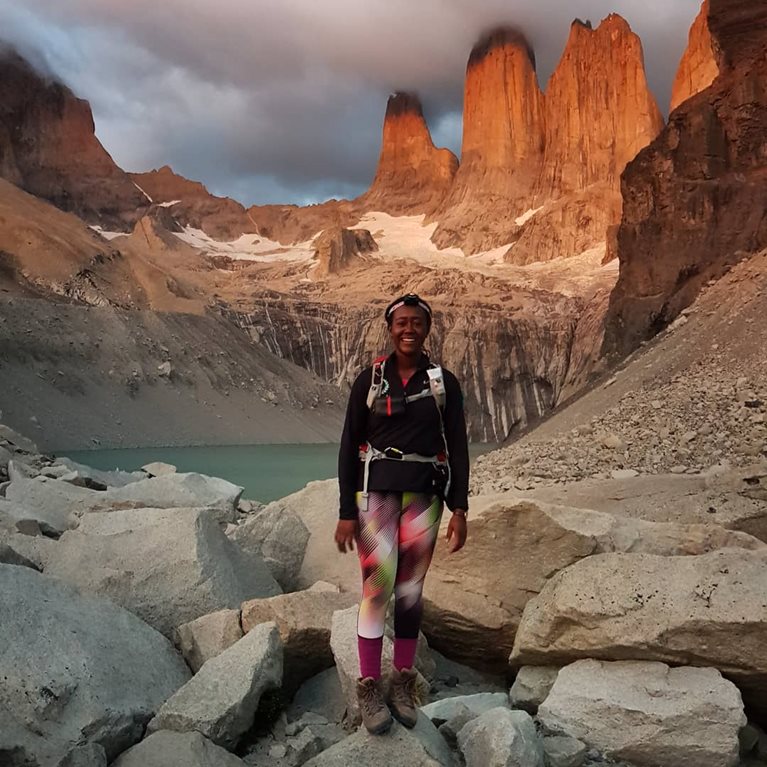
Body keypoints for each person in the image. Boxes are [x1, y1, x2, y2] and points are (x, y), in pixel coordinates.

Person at [335, 293, 469, 734]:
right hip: (377, 495)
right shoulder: (370, 380)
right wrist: (345, 511)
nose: (408, 329)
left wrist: (460, 507)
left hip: (425, 498)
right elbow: (349, 445)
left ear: (427, 329)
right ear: (390, 328)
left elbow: (458, 446)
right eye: (401, 323)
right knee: (377, 588)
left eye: (417, 322)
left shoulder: (442, 382)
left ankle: (403, 684)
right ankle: (371, 687)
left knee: (410, 590)